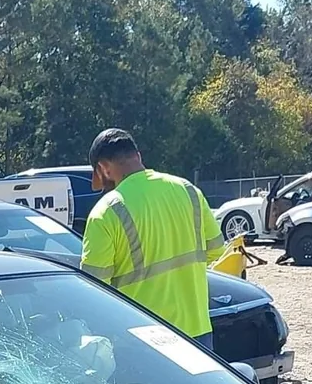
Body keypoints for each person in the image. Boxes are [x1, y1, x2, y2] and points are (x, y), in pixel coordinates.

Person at [79, 128, 221, 341]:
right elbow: (216, 249)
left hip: (142, 339)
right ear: (138, 156)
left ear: (103, 169)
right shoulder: (188, 190)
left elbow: (94, 287)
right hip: (197, 332)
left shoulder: (106, 212)